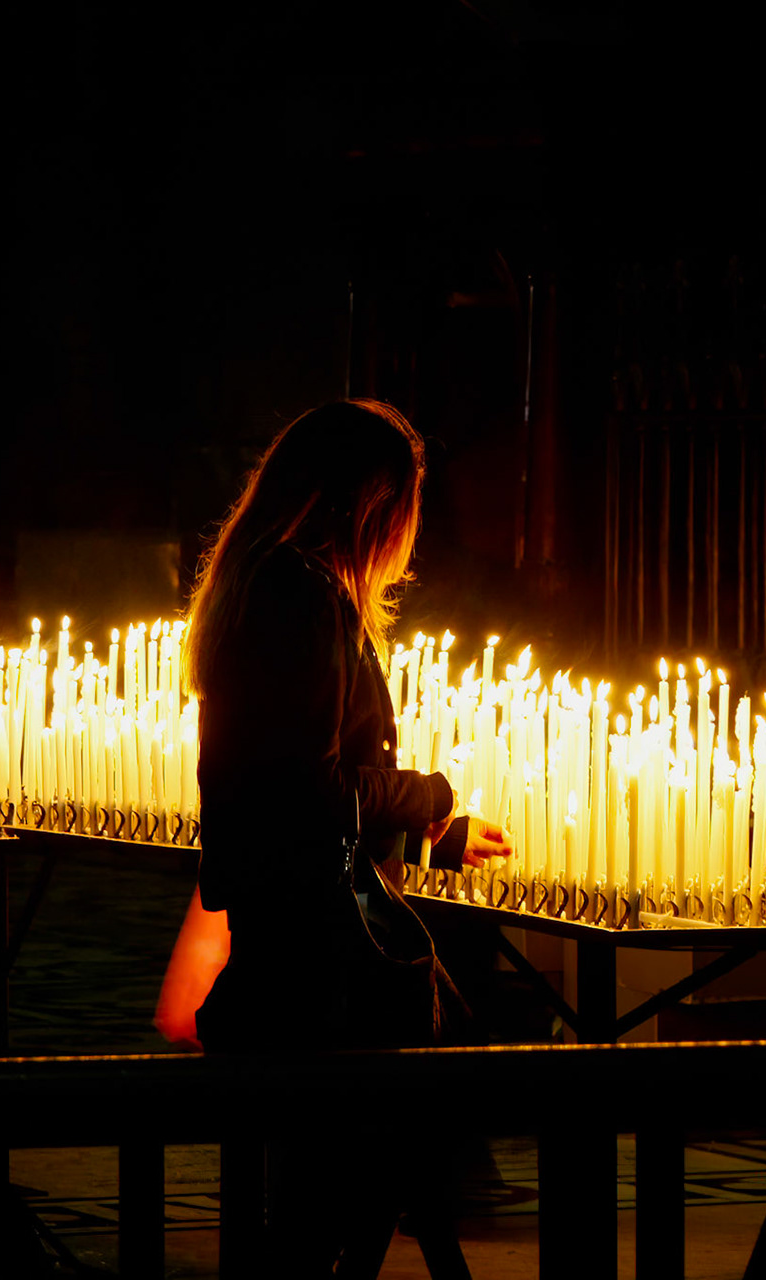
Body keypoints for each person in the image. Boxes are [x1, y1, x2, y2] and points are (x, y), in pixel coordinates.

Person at [181, 398, 515, 1273]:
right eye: (406, 507)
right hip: (314, 949)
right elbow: (311, 787)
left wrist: (438, 830)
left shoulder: (269, 586)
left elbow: (291, 774)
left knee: (336, 1182)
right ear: (369, 504)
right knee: (332, 1186)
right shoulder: (300, 598)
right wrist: (428, 792)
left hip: (288, 920)